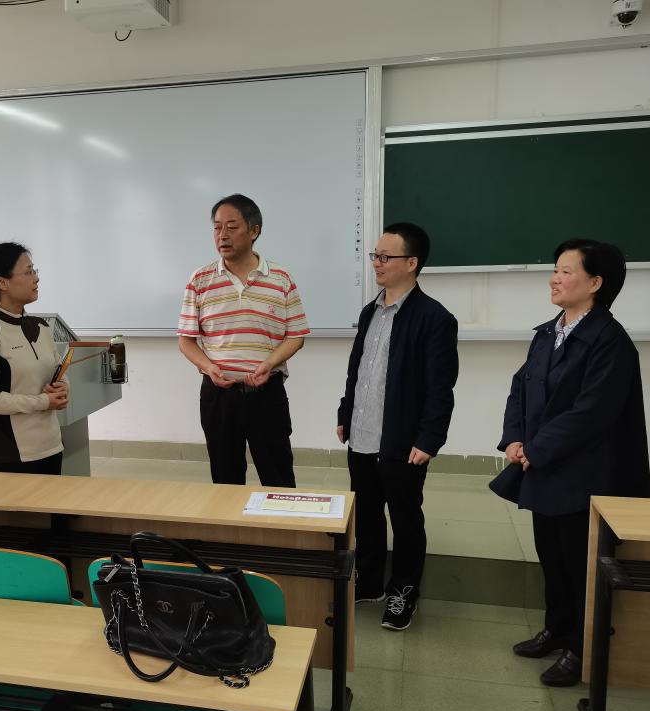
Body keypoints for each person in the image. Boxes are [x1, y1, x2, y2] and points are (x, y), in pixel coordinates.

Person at [492, 239, 650, 687]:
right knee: (552, 558)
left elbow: (592, 413)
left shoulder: (610, 342)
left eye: (566, 271)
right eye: (555, 270)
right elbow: (521, 387)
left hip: (586, 476)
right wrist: (515, 438)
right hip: (545, 468)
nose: (554, 279)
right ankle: (557, 630)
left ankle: (583, 649)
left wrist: (536, 448)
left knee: (582, 565)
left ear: (595, 282)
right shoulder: (549, 332)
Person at [337, 223, 458, 631]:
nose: (377, 263)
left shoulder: (435, 318)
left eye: (385, 257)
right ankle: (370, 581)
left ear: (411, 263)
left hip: (403, 441)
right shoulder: (369, 312)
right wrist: (345, 412)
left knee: (406, 519)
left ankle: (404, 591)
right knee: (367, 515)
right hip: (362, 434)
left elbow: (441, 388)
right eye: (375, 255)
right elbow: (357, 371)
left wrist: (429, 439)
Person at [178, 194, 309, 487]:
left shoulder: (281, 278)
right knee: (225, 480)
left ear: (254, 231)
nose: (222, 235)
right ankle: (230, 521)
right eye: (217, 227)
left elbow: (296, 336)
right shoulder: (200, 279)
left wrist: (269, 364)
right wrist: (209, 368)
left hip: (267, 393)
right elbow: (186, 341)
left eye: (232, 227)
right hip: (218, 396)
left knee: (278, 478)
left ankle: (279, 519)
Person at [0, 242, 69, 474]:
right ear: (2, 282)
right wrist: (42, 402)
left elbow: (57, 371)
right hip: (10, 455)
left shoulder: (41, 327)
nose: (36, 278)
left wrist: (62, 387)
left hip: (51, 446)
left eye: (34, 270)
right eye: (28, 272)